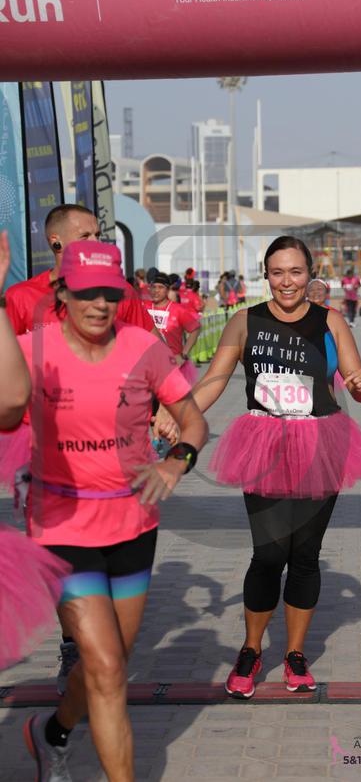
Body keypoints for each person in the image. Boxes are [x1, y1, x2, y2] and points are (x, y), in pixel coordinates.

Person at [16, 239, 208, 782]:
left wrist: (176, 461)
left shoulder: (143, 347)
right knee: (104, 665)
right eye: (86, 292)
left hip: (133, 523)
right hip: (61, 525)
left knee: (112, 662)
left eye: (110, 293)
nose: (99, 304)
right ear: (62, 292)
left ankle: (53, 732)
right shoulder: (30, 351)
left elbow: (192, 419)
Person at [193, 235, 361, 699]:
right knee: (269, 554)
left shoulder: (330, 320)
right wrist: (178, 414)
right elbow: (214, 379)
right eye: (278, 272)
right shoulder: (245, 321)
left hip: (320, 443)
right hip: (264, 444)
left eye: (296, 272)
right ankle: (251, 650)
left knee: (305, 555)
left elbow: (359, 385)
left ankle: (295, 654)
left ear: (310, 274)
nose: (287, 281)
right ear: (266, 275)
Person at [0, 231, 71, 673]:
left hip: (96, 449)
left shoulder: (116, 296)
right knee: (55, 545)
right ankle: (74, 643)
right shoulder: (22, 297)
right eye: (85, 235)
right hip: (33, 442)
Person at [4, 204, 154, 334]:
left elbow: (156, 352)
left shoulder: (123, 292)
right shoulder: (20, 297)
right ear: (56, 242)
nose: (96, 242)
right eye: (85, 236)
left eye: (97, 235)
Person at [143, 272, 201, 383]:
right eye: (153, 287)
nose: (156, 290)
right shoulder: (143, 306)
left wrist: (184, 354)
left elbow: (196, 328)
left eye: (160, 287)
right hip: (147, 363)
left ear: (167, 289)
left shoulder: (178, 310)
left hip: (171, 363)